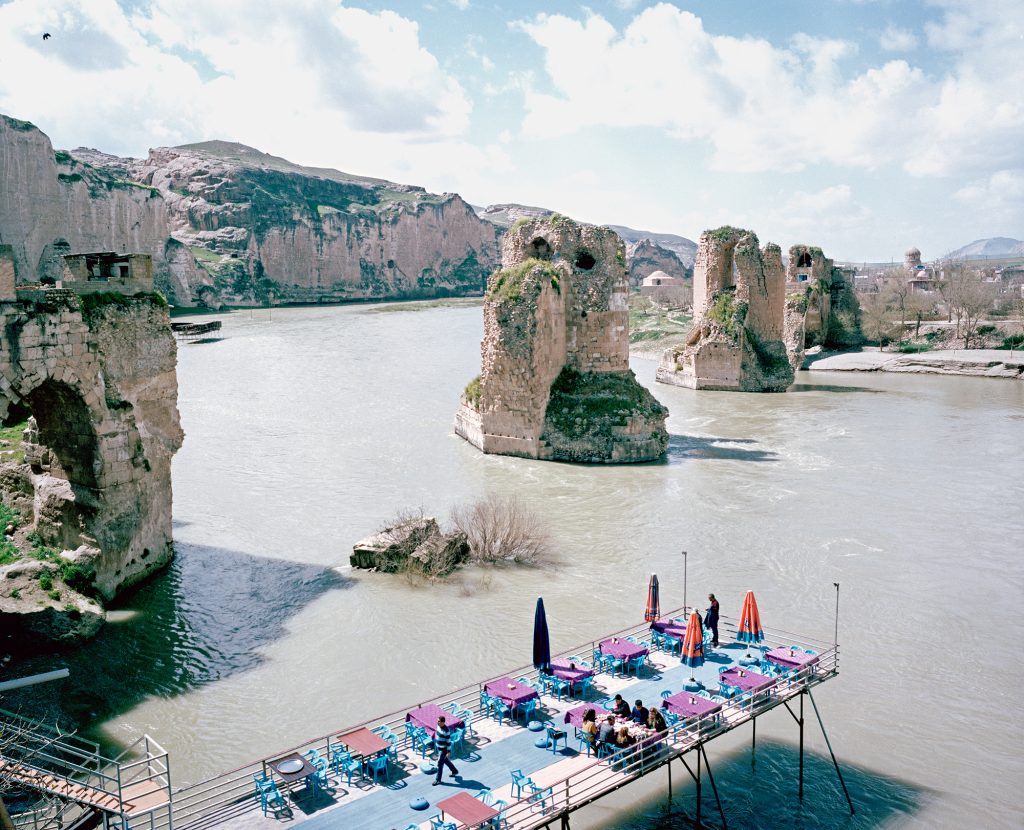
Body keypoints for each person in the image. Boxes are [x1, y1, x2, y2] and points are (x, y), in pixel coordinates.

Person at [432, 716, 459, 785]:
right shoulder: (438, 726)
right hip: (439, 748)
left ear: (443, 722)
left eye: (439, 721)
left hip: (443, 750)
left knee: (440, 764)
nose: (437, 722)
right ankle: (454, 771)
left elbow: (448, 742)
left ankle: (438, 780)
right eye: (437, 721)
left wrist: (449, 751)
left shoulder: (446, 731)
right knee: (445, 761)